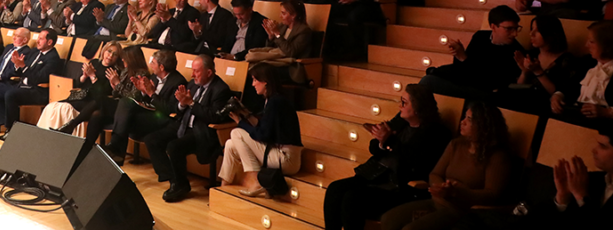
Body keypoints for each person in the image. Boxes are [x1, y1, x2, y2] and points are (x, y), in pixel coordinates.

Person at [323, 84, 451, 230]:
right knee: (335, 189)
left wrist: (390, 141)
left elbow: (416, 163)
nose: (399, 106)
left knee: (352, 198)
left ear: (417, 107)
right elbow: (374, 146)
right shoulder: (401, 122)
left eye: (404, 102)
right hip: (377, 175)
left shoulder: (437, 133)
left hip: (400, 186)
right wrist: (382, 143)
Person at [380, 101, 512, 230]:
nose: (463, 122)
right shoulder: (456, 145)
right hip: (437, 202)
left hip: (462, 211)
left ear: (484, 126)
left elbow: (493, 195)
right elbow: (435, 174)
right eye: (464, 117)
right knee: (388, 220)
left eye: (469, 119)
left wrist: (457, 193)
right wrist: (441, 187)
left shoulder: (497, 156)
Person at [145, 53, 231, 202]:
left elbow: (214, 117)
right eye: (192, 70)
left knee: (174, 146)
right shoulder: (192, 84)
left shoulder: (220, 89)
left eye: (196, 71)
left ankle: (181, 185)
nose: (192, 75)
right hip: (183, 125)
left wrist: (191, 103)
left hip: (201, 132)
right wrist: (182, 104)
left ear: (209, 72)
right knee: (152, 139)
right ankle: (172, 177)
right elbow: (176, 109)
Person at [218, 63, 303, 197]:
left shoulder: (276, 102)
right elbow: (264, 127)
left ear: (265, 82)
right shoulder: (273, 99)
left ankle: (256, 180)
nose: (253, 84)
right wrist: (246, 114)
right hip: (278, 153)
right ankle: (223, 188)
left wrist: (240, 122)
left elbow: (263, 135)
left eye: (255, 80)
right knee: (230, 144)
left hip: (286, 158)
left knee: (236, 133)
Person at [419, 5, 525, 99]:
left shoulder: (515, 51)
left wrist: (464, 58)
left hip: (485, 92)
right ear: (493, 27)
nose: (515, 34)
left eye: (516, 28)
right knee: (430, 79)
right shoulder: (480, 37)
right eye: (509, 29)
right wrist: (459, 55)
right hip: (466, 82)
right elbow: (463, 70)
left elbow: (487, 81)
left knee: (428, 82)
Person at [0, 29, 63, 139]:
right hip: (22, 85)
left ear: (49, 42)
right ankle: (5, 125)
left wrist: (23, 66)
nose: (37, 41)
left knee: (11, 94)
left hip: (38, 90)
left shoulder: (53, 58)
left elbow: (38, 78)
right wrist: (17, 65)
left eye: (41, 39)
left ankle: (12, 131)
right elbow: (21, 69)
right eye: (38, 38)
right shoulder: (34, 52)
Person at [38, 42, 122, 134]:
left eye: (115, 54)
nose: (110, 56)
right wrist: (84, 76)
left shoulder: (114, 71)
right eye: (109, 51)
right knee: (53, 106)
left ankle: (64, 131)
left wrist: (93, 77)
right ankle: (45, 133)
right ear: (104, 51)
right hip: (82, 96)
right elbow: (78, 84)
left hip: (94, 101)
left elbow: (101, 93)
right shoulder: (94, 63)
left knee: (65, 108)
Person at [548, 122, 613, 226]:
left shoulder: (582, 187)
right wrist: (563, 197)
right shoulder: (592, 179)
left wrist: (581, 196)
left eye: (603, 146)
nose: (594, 150)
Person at [551, 20, 613, 121]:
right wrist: (557, 96)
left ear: (607, 45)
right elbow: (569, 86)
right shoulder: (586, 62)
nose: (586, 45)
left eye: (592, 42)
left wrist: (607, 112)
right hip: (576, 117)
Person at [249, 0, 314, 63]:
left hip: (291, 64)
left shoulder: (304, 31)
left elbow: (290, 52)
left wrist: (277, 34)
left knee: (260, 69)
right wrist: (271, 37)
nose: (280, 16)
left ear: (293, 15)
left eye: (283, 13)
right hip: (276, 60)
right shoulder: (282, 26)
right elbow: (271, 49)